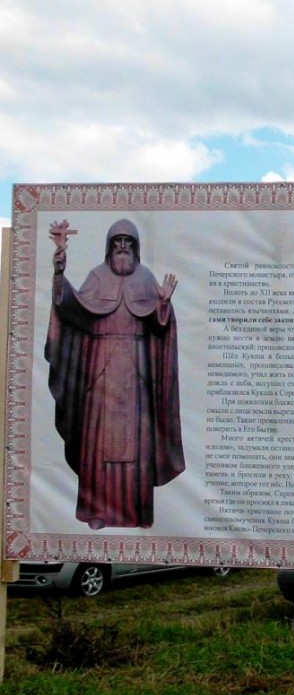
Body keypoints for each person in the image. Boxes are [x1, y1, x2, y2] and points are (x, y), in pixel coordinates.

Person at [45, 218, 185, 529]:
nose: (122, 247)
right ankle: (97, 513)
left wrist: (163, 303)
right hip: (100, 373)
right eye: (117, 242)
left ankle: (137, 512)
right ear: (110, 246)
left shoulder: (147, 279)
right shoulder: (96, 277)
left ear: (136, 247)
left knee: (138, 443)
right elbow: (72, 309)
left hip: (136, 376)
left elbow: (159, 329)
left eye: (128, 242)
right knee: (98, 441)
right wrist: (59, 274)